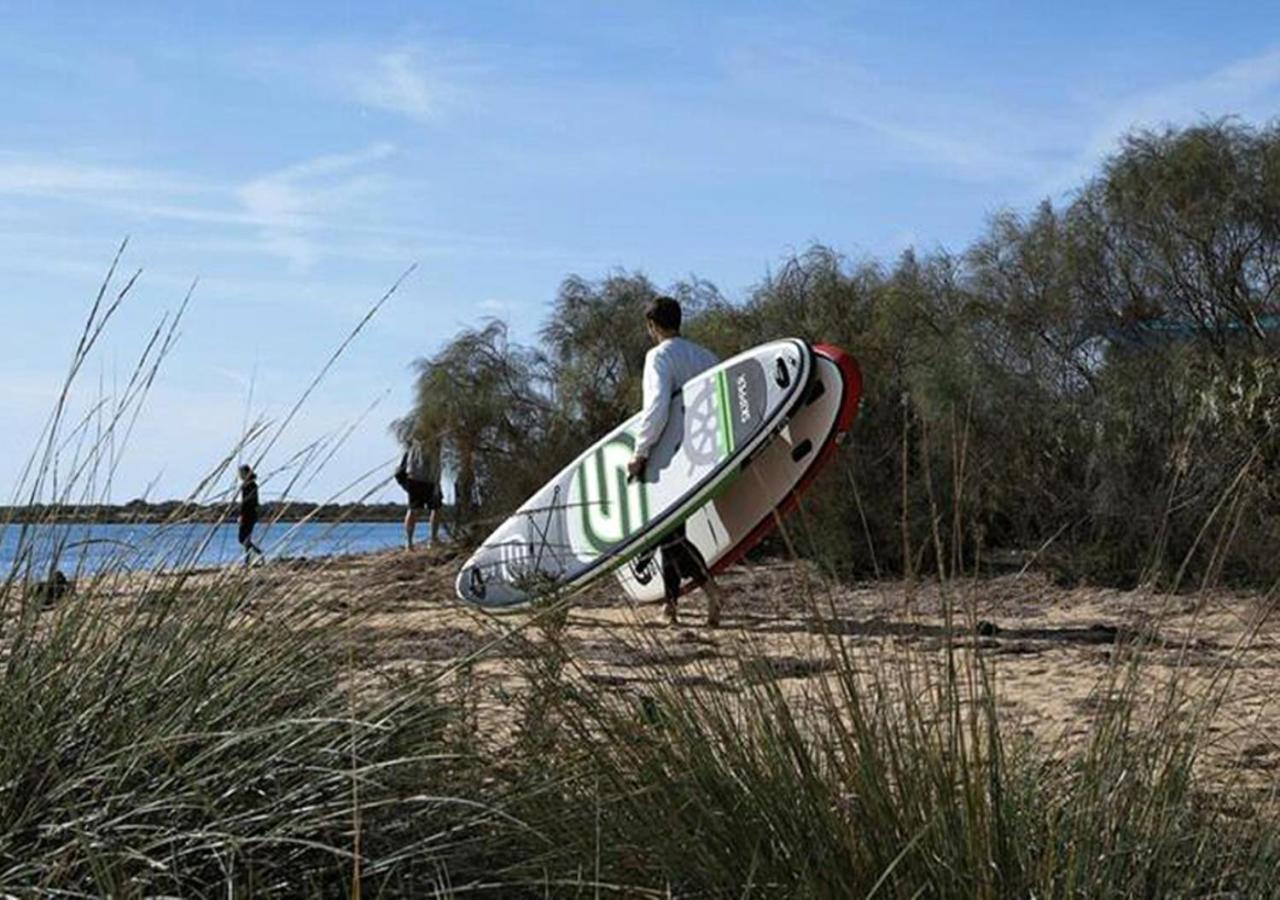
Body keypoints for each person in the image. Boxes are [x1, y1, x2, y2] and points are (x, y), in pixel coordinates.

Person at [626, 296, 727, 627]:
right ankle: (671, 608)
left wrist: (641, 453)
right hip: (705, 453)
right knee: (672, 528)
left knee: (669, 533)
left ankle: (710, 590)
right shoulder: (707, 356)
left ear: (652, 326)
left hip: (671, 455)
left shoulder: (658, 356)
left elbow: (657, 408)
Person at [396, 437, 442, 550]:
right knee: (416, 509)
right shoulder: (426, 439)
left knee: (435, 508)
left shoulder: (414, 438)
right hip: (420, 477)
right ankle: (411, 542)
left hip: (420, 477)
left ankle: (431, 539)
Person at [237, 464, 264, 566]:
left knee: (243, 538)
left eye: (241, 473)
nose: (239, 475)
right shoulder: (250, 485)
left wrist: (242, 515)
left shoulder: (249, 485)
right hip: (250, 514)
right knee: (245, 539)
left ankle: (257, 553)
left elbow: (247, 502)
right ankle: (248, 560)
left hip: (248, 514)